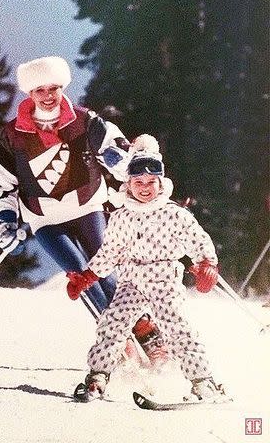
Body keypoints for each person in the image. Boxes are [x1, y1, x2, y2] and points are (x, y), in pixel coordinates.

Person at [0, 56, 165, 359]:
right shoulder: (13, 135)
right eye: (40, 90)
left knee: (103, 269)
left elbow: (117, 149)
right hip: (44, 220)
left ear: (62, 87)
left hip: (88, 208)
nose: (47, 95)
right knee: (78, 275)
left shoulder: (84, 121)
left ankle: (145, 329)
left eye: (53, 88)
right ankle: (115, 338)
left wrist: (127, 162)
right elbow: (1, 182)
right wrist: (6, 220)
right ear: (29, 93)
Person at [67, 134, 228, 403]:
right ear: (128, 184)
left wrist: (206, 264)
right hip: (131, 279)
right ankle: (97, 377)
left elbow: (197, 239)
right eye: (138, 182)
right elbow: (110, 252)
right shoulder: (120, 217)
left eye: (151, 182)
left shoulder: (173, 213)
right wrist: (87, 277)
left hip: (164, 278)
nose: (145, 188)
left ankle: (203, 381)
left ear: (160, 183)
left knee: (176, 326)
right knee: (113, 321)